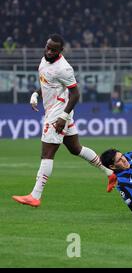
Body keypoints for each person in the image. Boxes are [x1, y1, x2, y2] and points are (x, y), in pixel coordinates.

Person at [12, 34, 117, 208]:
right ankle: (109, 173)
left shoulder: (64, 68)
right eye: (48, 47)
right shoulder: (44, 60)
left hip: (58, 113)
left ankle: (35, 195)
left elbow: (75, 94)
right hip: (55, 111)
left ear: (61, 51)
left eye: (54, 49)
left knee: (47, 154)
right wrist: (36, 94)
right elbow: (47, 82)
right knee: (76, 149)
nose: (49, 51)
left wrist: (63, 116)